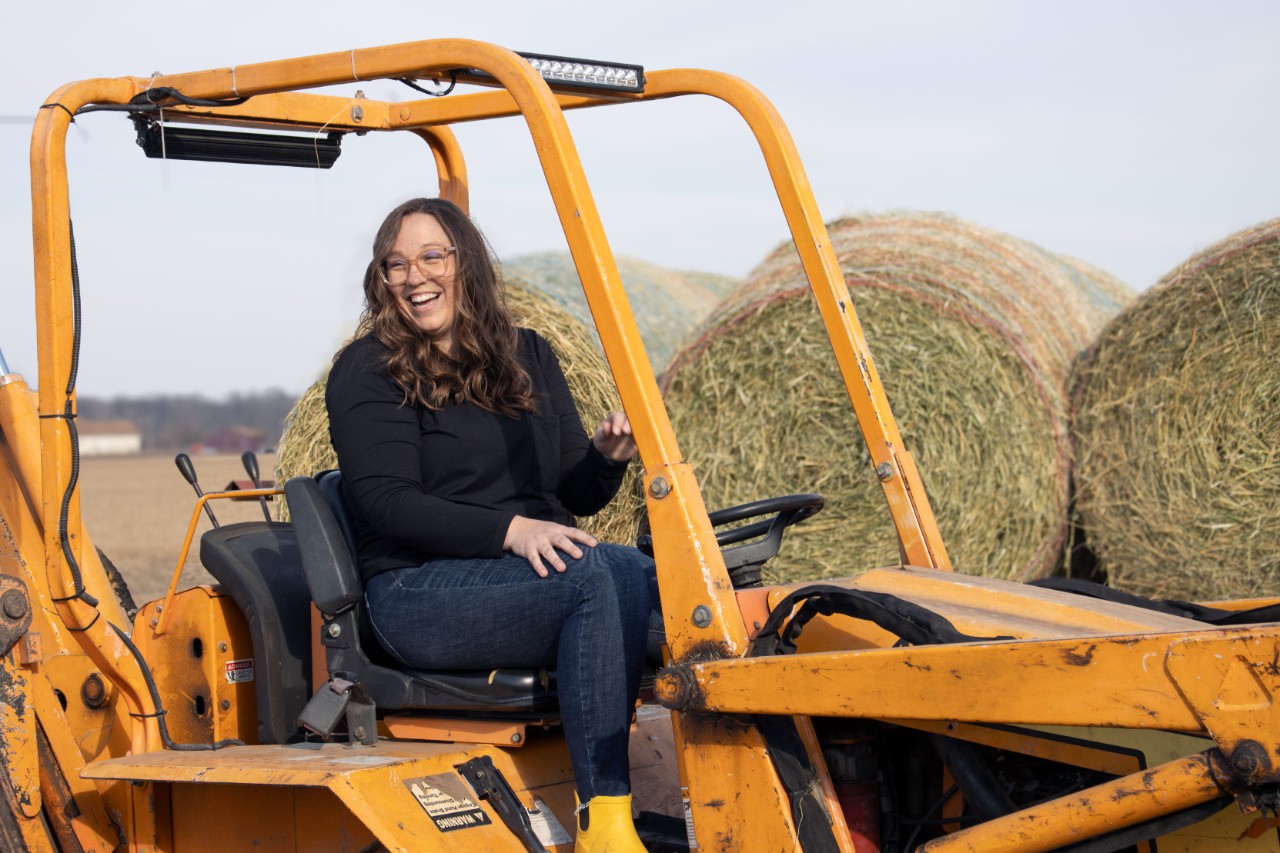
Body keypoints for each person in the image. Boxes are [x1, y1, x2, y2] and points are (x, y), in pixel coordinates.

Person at [326, 197, 653, 852]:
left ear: (466, 263)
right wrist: (512, 531)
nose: (414, 276)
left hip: (515, 576)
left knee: (640, 569)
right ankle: (607, 824)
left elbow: (571, 493)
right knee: (593, 576)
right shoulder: (368, 370)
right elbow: (389, 502)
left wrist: (607, 458)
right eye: (396, 263)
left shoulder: (527, 353)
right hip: (416, 592)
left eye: (431, 256)